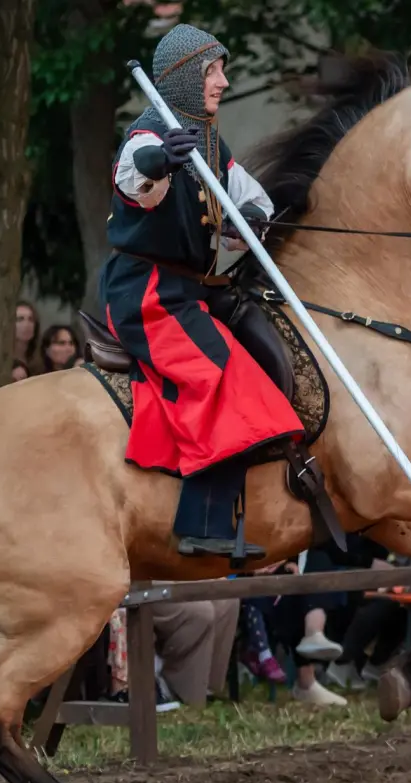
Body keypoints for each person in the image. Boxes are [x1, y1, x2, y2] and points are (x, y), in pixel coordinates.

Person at [97, 23, 299, 560]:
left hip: (191, 290)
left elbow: (247, 195)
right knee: (220, 376)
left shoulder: (211, 141)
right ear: (187, 77)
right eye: (215, 72)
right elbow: (133, 181)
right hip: (148, 293)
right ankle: (195, 523)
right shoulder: (148, 133)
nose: (225, 82)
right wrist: (163, 159)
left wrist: (252, 216)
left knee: (255, 362)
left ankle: (212, 522)